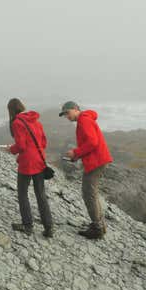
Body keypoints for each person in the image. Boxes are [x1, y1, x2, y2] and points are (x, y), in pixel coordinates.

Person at [60, 101, 113, 239]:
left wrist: (76, 152)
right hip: (97, 160)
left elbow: (92, 142)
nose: (67, 116)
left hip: (96, 162)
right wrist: (77, 156)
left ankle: (98, 228)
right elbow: (90, 144)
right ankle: (99, 225)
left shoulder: (84, 120)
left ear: (75, 109)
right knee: (91, 193)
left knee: (89, 194)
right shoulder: (85, 119)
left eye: (67, 112)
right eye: (65, 114)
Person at [3, 98, 54, 238]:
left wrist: (10, 149)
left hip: (27, 163)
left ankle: (28, 226)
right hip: (39, 161)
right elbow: (43, 142)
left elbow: (21, 146)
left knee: (22, 193)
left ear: (11, 110)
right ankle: (48, 227)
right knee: (41, 194)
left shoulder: (17, 123)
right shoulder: (35, 121)